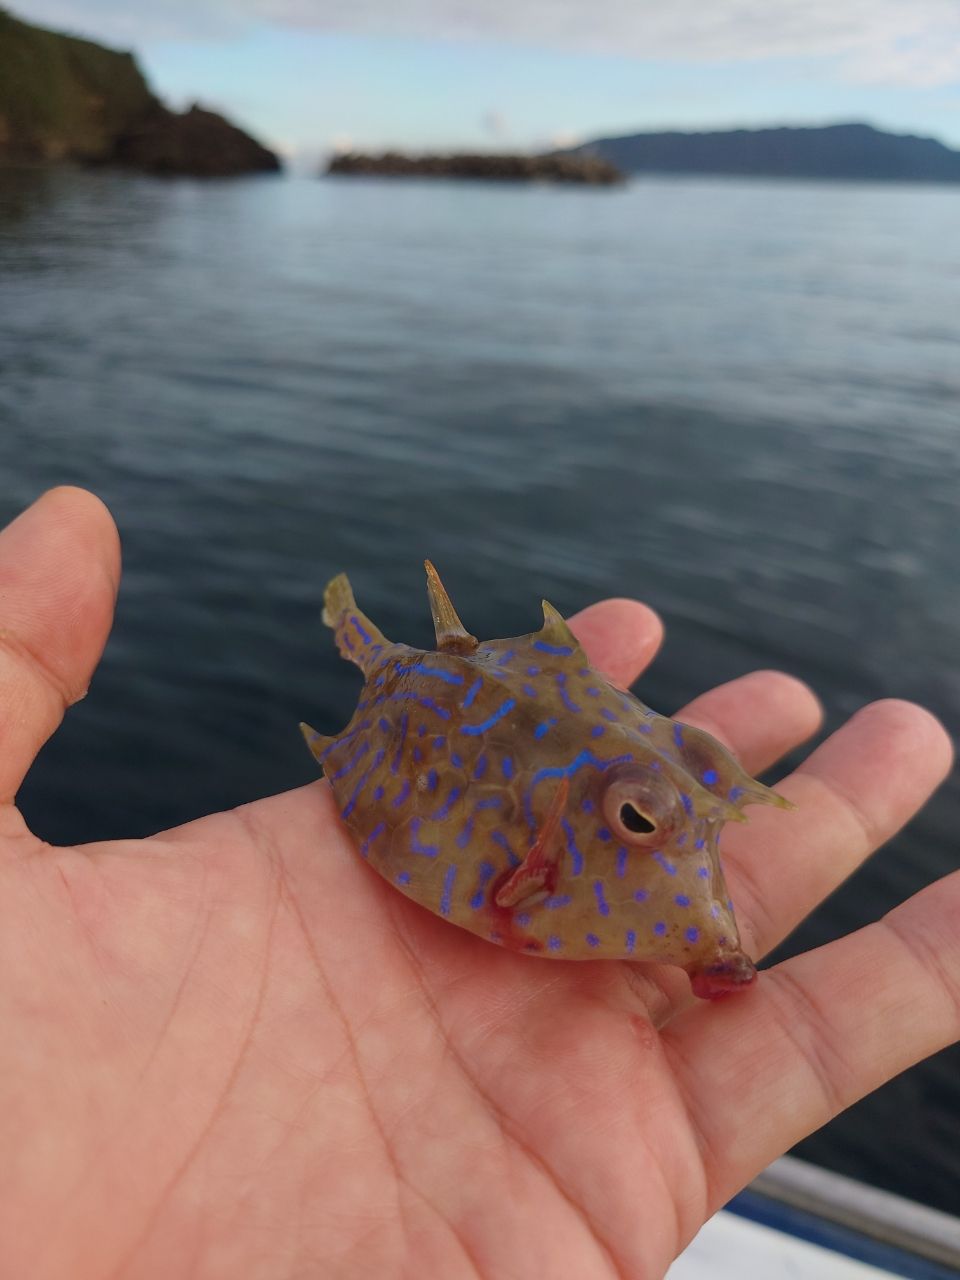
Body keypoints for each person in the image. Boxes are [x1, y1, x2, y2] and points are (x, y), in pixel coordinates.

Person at [0, 486, 955, 1280]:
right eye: (637, 826)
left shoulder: (646, 839)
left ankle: (370, 643)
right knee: (404, 673)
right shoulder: (539, 869)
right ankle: (364, 643)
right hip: (446, 723)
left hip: (557, 736)